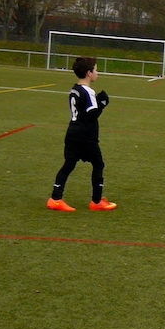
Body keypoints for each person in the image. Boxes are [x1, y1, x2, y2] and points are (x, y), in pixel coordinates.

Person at [47, 56, 117, 212]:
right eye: (96, 70)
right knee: (98, 164)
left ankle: (55, 199)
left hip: (72, 132)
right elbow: (92, 114)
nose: (97, 73)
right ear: (89, 73)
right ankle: (97, 201)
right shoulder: (88, 91)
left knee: (69, 164)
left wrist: (97, 102)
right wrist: (103, 103)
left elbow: (82, 109)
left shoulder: (75, 89)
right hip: (85, 135)